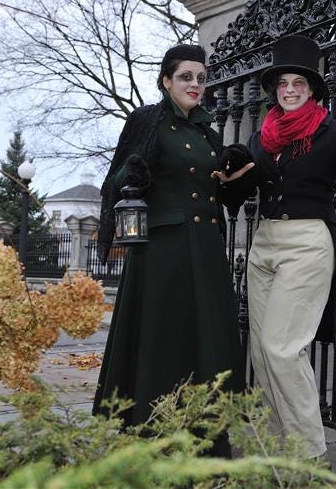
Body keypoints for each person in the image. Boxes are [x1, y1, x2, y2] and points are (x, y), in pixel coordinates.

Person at [214, 35, 336, 461]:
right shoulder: (265, 137)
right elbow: (240, 191)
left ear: (313, 89)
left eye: (299, 81)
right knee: (261, 351)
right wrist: (228, 177)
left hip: (308, 243)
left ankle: (308, 452)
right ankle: (278, 444)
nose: (290, 89)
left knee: (282, 347)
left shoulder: (333, 132)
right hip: (264, 245)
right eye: (283, 82)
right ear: (275, 89)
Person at [93, 44, 252, 457]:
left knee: (206, 338)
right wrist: (135, 173)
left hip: (205, 250)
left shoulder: (207, 132)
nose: (195, 85)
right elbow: (118, 182)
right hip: (161, 252)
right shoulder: (147, 121)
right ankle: (153, 431)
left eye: (201, 78)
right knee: (163, 337)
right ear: (166, 81)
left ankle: (206, 434)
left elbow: (221, 192)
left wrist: (233, 171)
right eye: (186, 77)